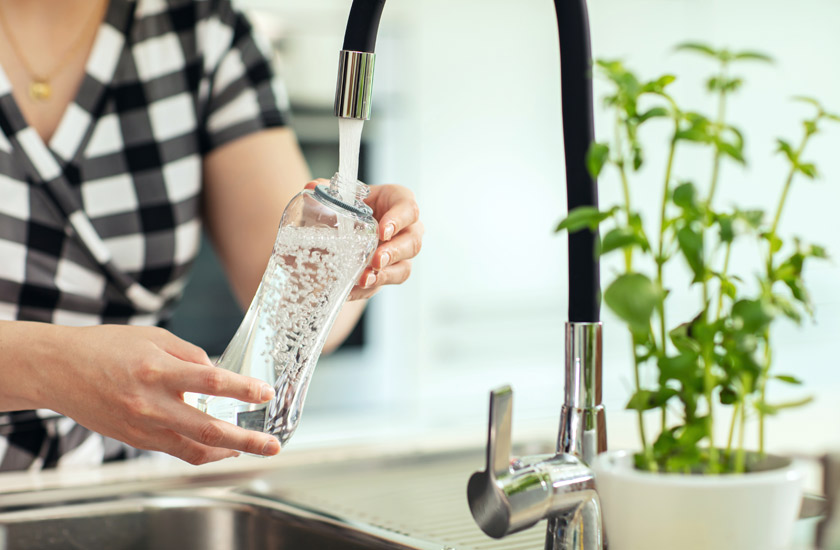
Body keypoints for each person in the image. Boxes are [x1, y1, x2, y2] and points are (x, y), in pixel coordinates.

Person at [0, 0, 423, 470]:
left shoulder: (203, 32)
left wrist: (347, 262)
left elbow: (286, 312)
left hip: (112, 485)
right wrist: (54, 368)